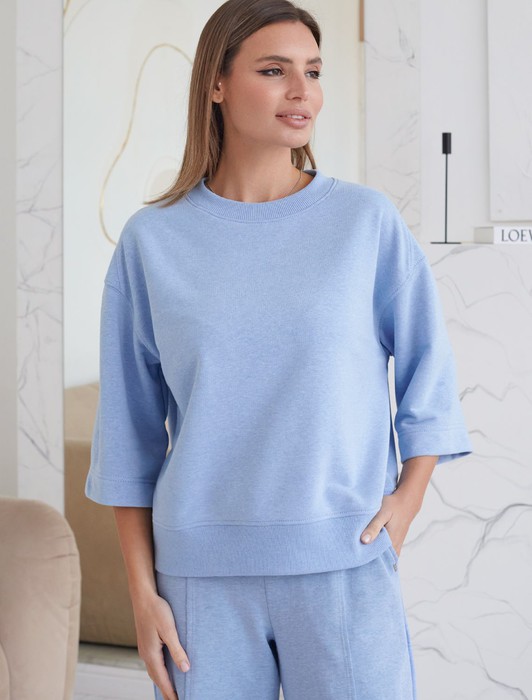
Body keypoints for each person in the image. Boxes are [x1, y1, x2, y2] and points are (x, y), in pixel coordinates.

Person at [84, 1, 473, 698]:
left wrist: (408, 501)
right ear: (217, 84)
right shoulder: (152, 242)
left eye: (313, 72)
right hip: (198, 586)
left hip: (345, 565)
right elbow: (127, 439)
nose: (302, 92)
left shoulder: (364, 222)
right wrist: (142, 595)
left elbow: (430, 377)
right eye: (274, 71)